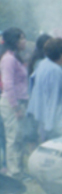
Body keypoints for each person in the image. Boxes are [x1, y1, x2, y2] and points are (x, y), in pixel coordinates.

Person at [27, 38, 62, 142]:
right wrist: (54, 126)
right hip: (55, 122)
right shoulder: (55, 70)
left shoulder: (43, 63)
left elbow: (32, 84)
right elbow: (54, 100)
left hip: (42, 117)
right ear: (61, 55)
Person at [0, 27, 29, 177]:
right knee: (13, 137)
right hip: (12, 103)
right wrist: (16, 107)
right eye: (21, 38)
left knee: (18, 137)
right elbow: (8, 85)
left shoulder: (15, 56)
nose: (24, 41)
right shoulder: (8, 59)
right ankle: (14, 171)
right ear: (14, 41)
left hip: (19, 102)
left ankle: (18, 168)